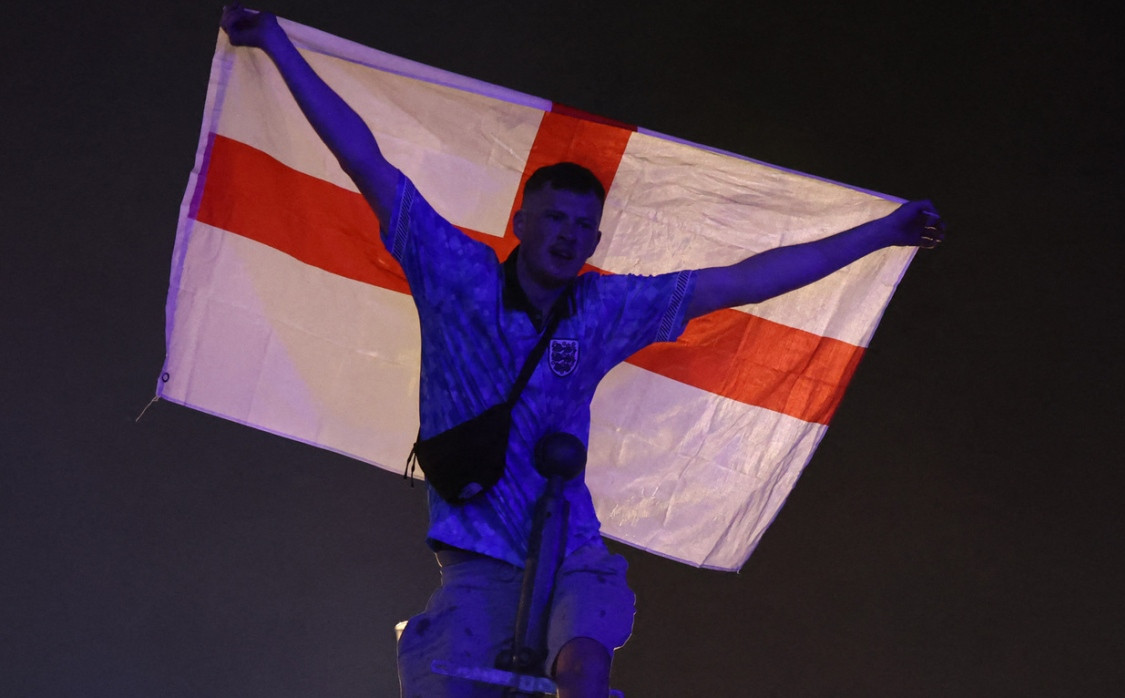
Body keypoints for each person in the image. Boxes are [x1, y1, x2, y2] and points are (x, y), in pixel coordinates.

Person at [219, 6, 944, 698]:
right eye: (555, 218)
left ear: (595, 244)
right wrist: (275, 43)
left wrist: (880, 234)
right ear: (521, 220)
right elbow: (365, 160)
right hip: (475, 561)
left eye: (583, 227)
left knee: (583, 673)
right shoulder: (457, 276)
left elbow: (746, 279)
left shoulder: (604, 309)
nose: (568, 234)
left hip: (568, 551)